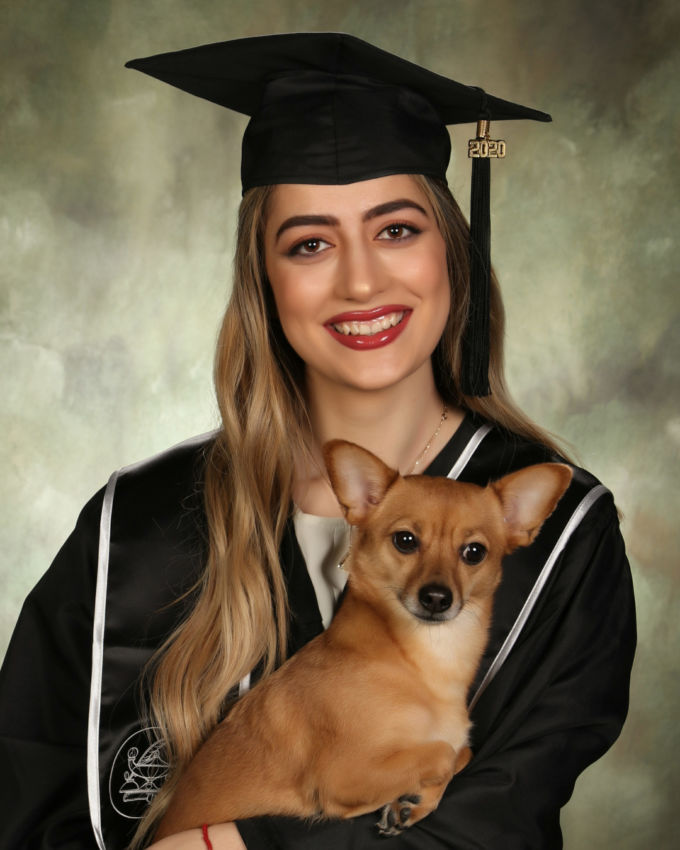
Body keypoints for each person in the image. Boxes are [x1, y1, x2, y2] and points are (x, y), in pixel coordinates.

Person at [0, 32, 635, 850]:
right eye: (309, 243)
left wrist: (231, 844)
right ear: (265, 277)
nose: (361, 280)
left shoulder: (565, 537)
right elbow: (24, 789)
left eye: (397, 230)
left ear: (454, 249)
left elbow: (496, 813)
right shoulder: (139, 522)